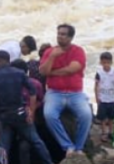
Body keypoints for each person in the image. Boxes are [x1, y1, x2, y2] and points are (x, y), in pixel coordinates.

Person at [0, 50, 50, 164]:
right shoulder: (19, 73)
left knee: (4, 146)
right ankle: (49, 162)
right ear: (8, 61)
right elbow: (33, 92)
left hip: (3, 117)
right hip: (20, 114)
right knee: (36, 141)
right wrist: (31, 111)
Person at [39, 23, 91, 156]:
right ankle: (68, 146)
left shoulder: (78, 51)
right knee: (49, 115)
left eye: (63, 34)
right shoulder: (50, 52)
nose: (60, 36)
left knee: (86, 115)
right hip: (54, 92)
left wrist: (52, 72)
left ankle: (79, 147)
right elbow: (43, 71)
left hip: (75, 93)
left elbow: (72, 69)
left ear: (70, 37)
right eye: (59, 34)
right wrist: (52, 57)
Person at [95, 51, 114, 144]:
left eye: (108, 62)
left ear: (111, 62)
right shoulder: (99, 73)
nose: (106, 64)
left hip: (112, 99)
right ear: (101, 62)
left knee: (111, 118)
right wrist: (97, 97)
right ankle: (104, 133)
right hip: (102, 99)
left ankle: (111, 132)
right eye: (104, 62)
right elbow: (96, 86)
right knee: (103, 118)